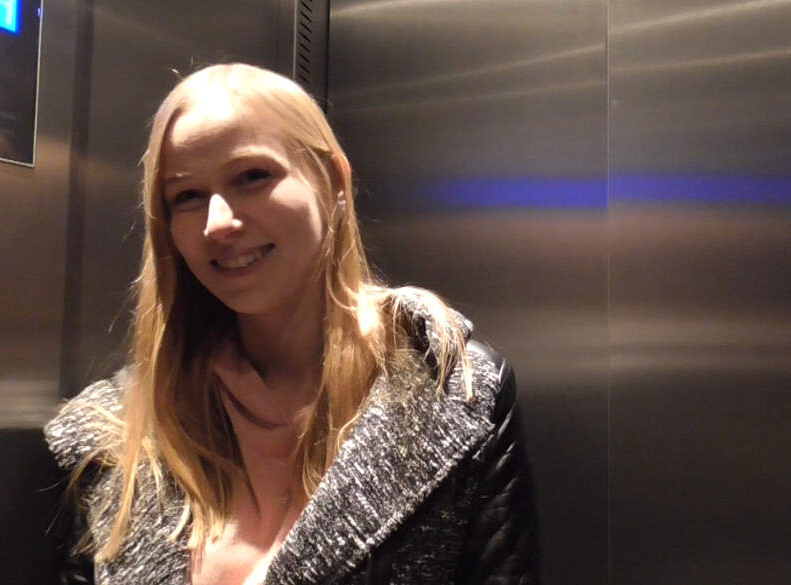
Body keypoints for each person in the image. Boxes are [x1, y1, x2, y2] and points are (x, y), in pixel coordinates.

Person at [44, 63, 539, 585]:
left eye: (252, 177)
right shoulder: (116, 436)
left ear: (334, 181)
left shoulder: (455, 393)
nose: (218, 224)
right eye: (186, 196)